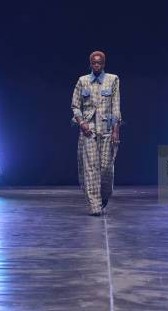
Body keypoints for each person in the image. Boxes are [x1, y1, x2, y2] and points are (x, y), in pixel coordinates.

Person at [71, 51, 122, 216]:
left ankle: (104, 196)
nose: (96, 65)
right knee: (91, 168)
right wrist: (82, 123)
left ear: (104, 64)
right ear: (90, 63)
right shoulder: (82, 81)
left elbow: (116, 106)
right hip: (89, 130)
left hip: (107, 129)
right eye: (94, 63)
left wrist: (116, 130)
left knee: (106, 167)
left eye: (99, 63)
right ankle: (95, 206)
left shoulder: (113, 80)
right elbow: (75, 106)